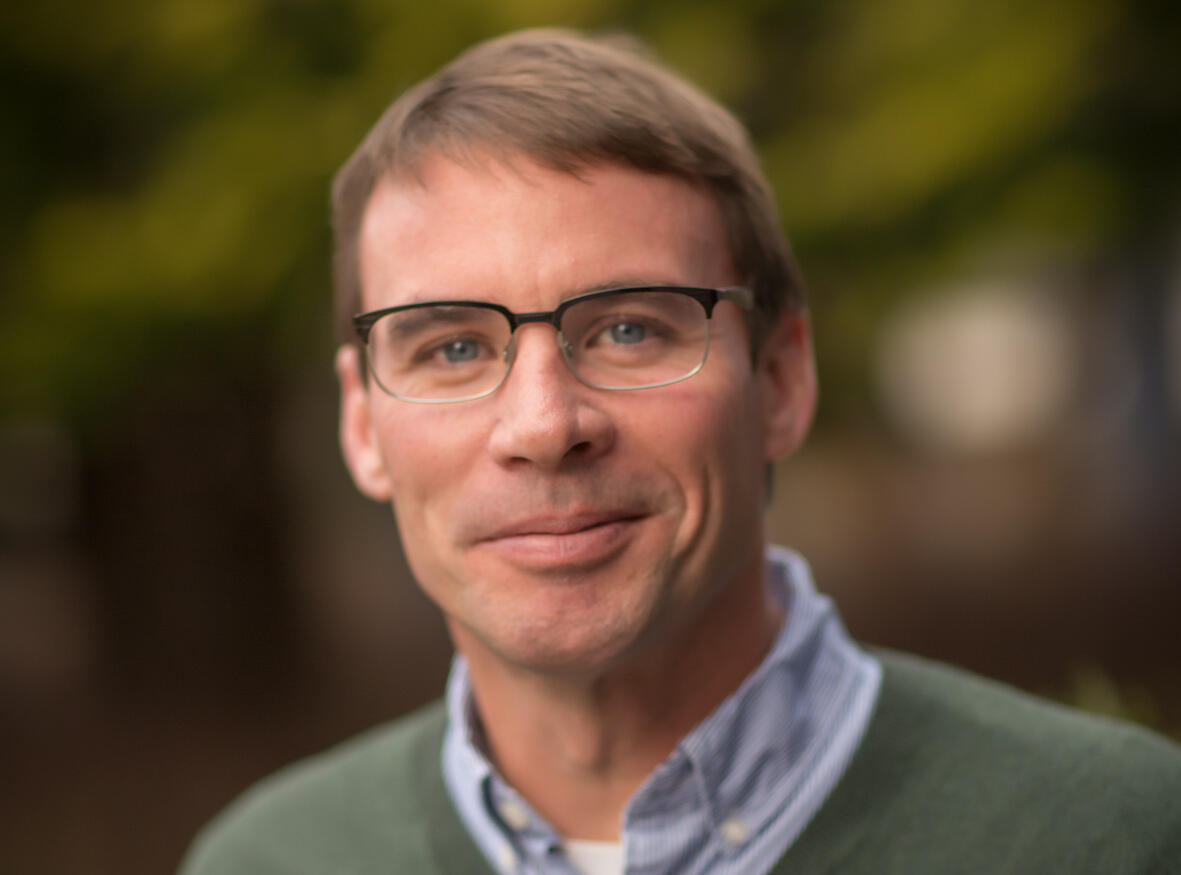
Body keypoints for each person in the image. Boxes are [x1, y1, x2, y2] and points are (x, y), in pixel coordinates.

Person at [181, 28, 1181, 875]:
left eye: (627, 329)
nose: (542, 425)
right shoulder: (268, 857)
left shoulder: (1111, 835)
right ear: (362, 424)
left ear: (780, 382)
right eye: (450, 347)